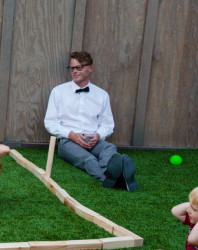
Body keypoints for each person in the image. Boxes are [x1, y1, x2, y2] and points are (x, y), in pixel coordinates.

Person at [44, 51, 137, 190]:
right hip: (67, 142)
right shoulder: (58, 92)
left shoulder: (102, 95)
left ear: (90, 68)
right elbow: (50, 123)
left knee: (109, 148)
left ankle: (113, 174)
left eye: (79, 67)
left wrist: (98, 135)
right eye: (72, 68)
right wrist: (70, 134)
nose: (74, 71)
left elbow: (107, 124)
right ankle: (112, 179)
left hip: (93, 140)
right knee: (88, 160)